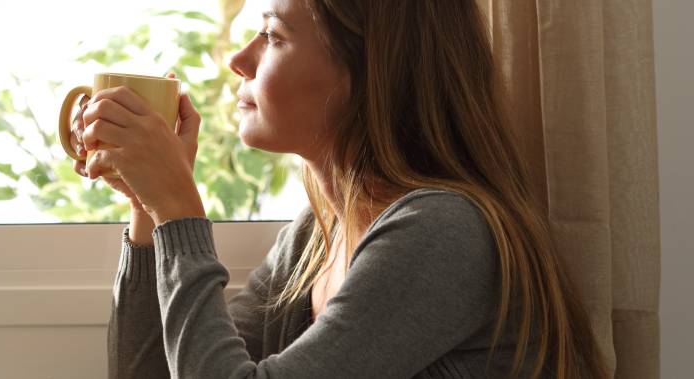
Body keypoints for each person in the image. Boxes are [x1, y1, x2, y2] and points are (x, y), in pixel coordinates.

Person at [69, 0, 609, 378]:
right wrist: (147, 208)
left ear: (367, 70)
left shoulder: (444, 232)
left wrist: (177, 210)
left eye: (274, 36)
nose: (240, 60)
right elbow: (148, 374)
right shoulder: (315, 236)